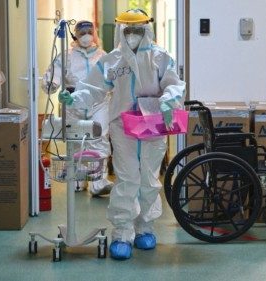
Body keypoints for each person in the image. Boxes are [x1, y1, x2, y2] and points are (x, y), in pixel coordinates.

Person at [58, 9, 186, 260]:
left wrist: (170, 99)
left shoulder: (160, 58)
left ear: (146, 30)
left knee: (149, 179)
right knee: (127, 179)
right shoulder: (112, 61)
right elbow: (93, 88)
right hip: (122, 127)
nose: (133, 34)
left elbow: (174, 84)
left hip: (152, 124)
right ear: (120, 30)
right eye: (128, 30)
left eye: (137, 29)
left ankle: (145, 228)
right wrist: (74, 98)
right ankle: (122, 232)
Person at [42, 20, 114, 196]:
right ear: (75, 35)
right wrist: (52, 86)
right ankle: (78, 180)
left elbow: (111, 79)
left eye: (90, 32)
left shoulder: (102, 55)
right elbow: (52, 78)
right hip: (73, 104)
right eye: (82, 33)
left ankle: (98, 182)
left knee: (100, 138)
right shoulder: (66, 56)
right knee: (76, 141)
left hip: (99, 104)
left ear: (95, 34)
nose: (86, 36)